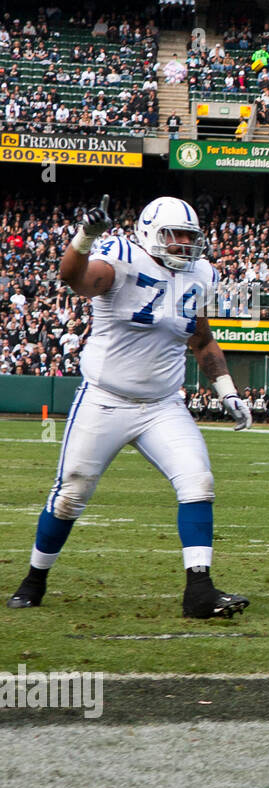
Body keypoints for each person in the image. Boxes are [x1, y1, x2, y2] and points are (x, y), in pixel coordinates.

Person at [7, 195, 252, 618]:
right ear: (149, 233)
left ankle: (199, 591)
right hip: (105, 398)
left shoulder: (200, 274)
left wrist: (226, 389)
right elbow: (74, 279)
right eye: (173, 235)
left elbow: (201, 338)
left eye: (189, 237)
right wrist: (86, 235)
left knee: (198, 481)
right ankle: (34, 579)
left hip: (162, 404)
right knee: (71, 494)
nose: (183, 244)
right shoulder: (120, 256)